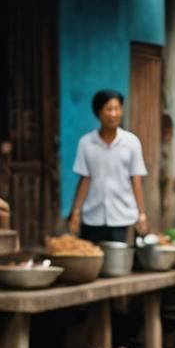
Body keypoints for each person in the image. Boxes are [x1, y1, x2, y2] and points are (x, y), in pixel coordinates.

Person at [69, 89, 148, 243]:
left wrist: (142, 213)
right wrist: (76, 211)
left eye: (117, 108)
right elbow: (85, 179)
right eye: (108, 109)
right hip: (92, 215)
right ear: (99, 113)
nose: (113, 114)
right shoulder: (86, 143)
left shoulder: (131, 143)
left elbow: (136, 178)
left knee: (117, 261)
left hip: (122, 215)